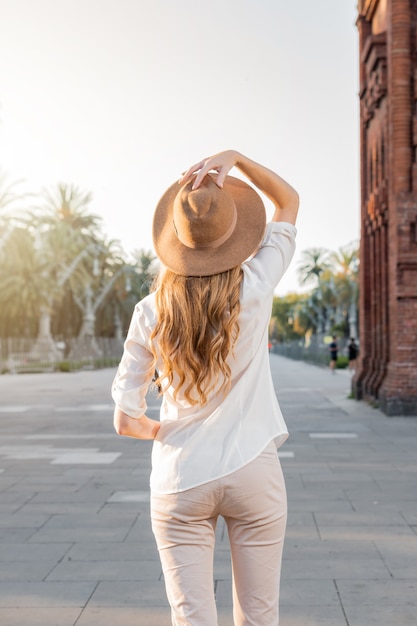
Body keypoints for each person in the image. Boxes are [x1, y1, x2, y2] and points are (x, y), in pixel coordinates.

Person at [112, 149, 299, 626]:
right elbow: (288, 200)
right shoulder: (257, 284)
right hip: (254, 468)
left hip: (180, 478)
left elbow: (125, 421)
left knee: (191, 616)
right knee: (260, 615)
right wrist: (235, 158)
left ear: (174, 239)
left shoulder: (150, 311)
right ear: (235, 236)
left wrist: (167, 431)